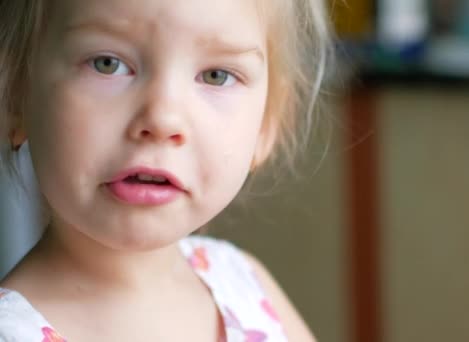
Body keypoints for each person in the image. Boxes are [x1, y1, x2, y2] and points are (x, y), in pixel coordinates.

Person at [0, 0, 333, 340]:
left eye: (216, 76)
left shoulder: (246, 287)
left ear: (265, 124)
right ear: (14, 95)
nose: (162, 119)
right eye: (107, 64)